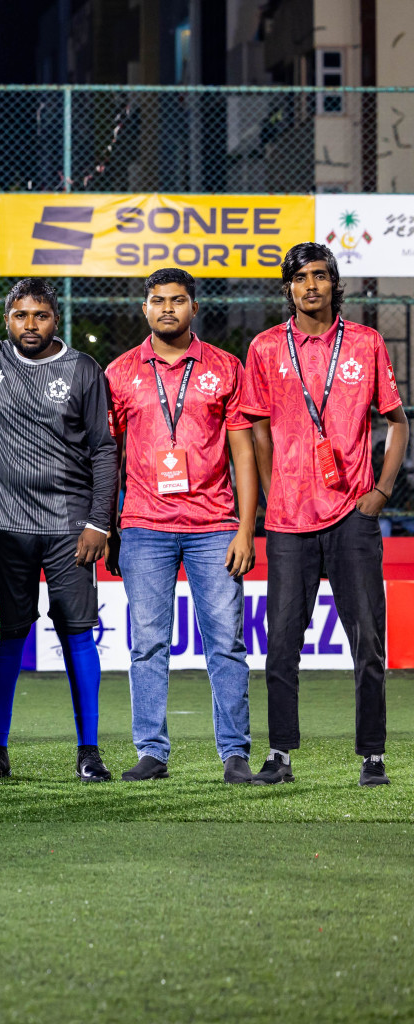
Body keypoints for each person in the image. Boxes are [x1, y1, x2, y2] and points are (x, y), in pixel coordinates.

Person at [240, 242, 407, 787]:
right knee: (283, 643)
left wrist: (382, 489)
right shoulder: (265, 347)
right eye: (299, 278)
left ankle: (372, 755)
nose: (310, 285)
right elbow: (256, 426)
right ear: (287, 288)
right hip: (288, 519)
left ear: (335, 283)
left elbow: (397, 422)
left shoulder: (367, 342)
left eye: (319, 276)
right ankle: (281, 754)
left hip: (352, 516)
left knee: (369, 640)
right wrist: (271, 491)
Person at [104, 268, 258, 785]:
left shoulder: (224, 367)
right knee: (148, 643)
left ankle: (234, 752)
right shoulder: (120, 373)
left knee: (226, 642)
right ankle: (152, 751)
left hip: (215, 524)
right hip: (144, 525)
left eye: (177, 300)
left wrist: (245, 528)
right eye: (157, 301)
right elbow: (110, 456)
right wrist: (107, 525)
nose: (167, 308)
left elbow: (243, 451)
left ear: (194, 308)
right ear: (144, 310)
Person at [0, 278, 119, 783]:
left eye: (41, 315)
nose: (30, 325)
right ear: (6, 318)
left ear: (56, 318)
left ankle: (89, 751)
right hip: (6, 528)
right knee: (7, 636)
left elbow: (104, 449)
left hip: (70, 527)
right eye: (20, 315)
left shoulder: (82, 369)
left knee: (77, 633)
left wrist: (100, 521)